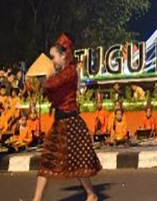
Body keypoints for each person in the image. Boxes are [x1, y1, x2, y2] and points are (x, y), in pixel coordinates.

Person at [25, 33, 101, 201]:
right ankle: (36, 199)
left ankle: (91, 194)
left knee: (78, 161)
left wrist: (47, 75)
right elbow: (48, 90)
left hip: (71, 122)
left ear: (63, 55)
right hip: (60, 122)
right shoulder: (60, 73)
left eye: (53, 57)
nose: (51, 61)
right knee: (47, 160)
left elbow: (52, 84)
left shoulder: (70, 72)